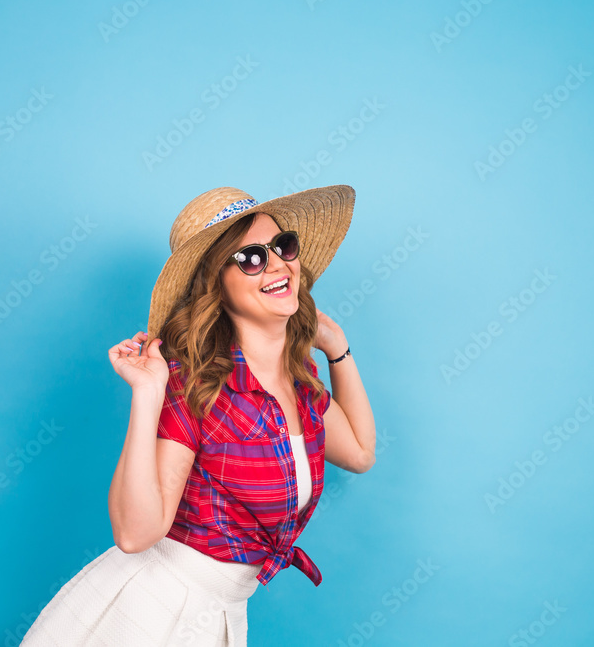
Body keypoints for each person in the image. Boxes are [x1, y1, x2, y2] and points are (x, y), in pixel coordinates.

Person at [20, 185, 376, 646]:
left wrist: (337, 346)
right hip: (154, 615)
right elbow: (134, 535)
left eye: (282, 246)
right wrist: (149, 394)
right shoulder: (196, 385)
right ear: (217, 284)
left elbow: (361, 453)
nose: (277, 264)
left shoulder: (300, 379)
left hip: (218, 615)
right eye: (251, 258)